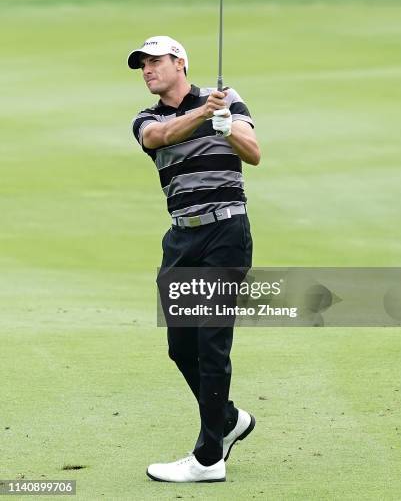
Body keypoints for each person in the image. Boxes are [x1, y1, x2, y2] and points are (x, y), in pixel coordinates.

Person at [128, 35, 261, 483]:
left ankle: (208, 457)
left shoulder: (226, 99)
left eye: (155, 61)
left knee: (211, 343)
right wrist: (205, 115)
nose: (147, 70)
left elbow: (254, 153)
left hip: (227, 231)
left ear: (179, 62)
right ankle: (228, 419)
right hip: (182, 240)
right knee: (181, 345)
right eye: (142, 65)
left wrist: (228, 126)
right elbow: (160, 136)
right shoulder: (146, 118)